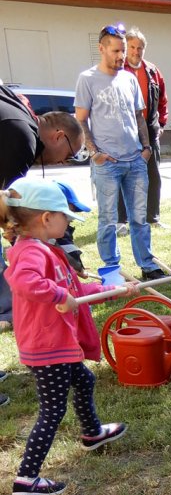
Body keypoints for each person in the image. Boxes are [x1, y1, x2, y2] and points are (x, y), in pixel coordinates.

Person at [1, 177, 139, 495]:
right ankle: (27, 477)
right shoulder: (31, 253)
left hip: (57, 343)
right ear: (47, 218)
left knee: (85, 380)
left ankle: (92, 433)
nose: (69, 223)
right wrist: (58, 294)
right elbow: (22, 282)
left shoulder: (46, 251)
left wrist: (113, 291)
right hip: (48, 346)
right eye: (66, 217)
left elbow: (77, 292)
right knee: (52, 410)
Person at [1, 86, 85, 400]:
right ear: (59, 135)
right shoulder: (20, 139)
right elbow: (13, 207)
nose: (65, 162)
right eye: (71, 154)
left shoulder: (20, 124)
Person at [75, 22, 161, 281]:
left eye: (123, 51)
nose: (122, 56)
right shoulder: (87, 79)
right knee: (109, 219)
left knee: (140, 219)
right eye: (116, 51)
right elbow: (80, 120)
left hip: (135, 159)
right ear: (102, 49)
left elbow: (139, 117)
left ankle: (147, 265)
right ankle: (112, 270)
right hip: (107, 163)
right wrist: (96, 153)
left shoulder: (129, 78)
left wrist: (145, 149)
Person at [116, 27, 168, 228]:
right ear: (126, 48)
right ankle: (122, 220)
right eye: (132, 47)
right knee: (123, 175)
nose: (136, 52)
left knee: (153, 176)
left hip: (150, 130)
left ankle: (152, 218)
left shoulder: (152, 71)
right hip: (125, 132)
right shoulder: (118, 71)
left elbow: (163, 100)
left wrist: (161, 123)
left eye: (140, 48)